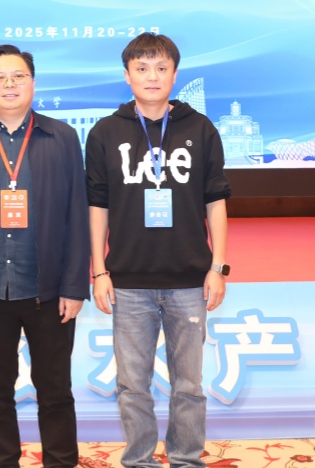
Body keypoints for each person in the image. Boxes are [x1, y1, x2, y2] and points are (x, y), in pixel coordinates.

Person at [0, 44, 90, 468]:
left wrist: (75, 286)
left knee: (55, 390)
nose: (9, 85)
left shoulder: (61, 137)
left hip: (49, 290)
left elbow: (77, 216)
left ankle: (61, 462)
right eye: (0, 78)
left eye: (18, 76)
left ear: (33, 83)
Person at [86, 33, 231, 468]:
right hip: (128, 282)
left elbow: (216, 201)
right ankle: (139, 461)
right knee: (133, 386)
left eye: (161, 68)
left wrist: (218, 267)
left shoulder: (199, 129)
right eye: (142, 68)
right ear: (127, 75)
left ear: (174, 74)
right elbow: (98, 205)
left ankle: (186, 459)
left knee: (189, 385)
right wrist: (99, 271)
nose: (152, 76)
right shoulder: (106, 132)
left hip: (189, 280)